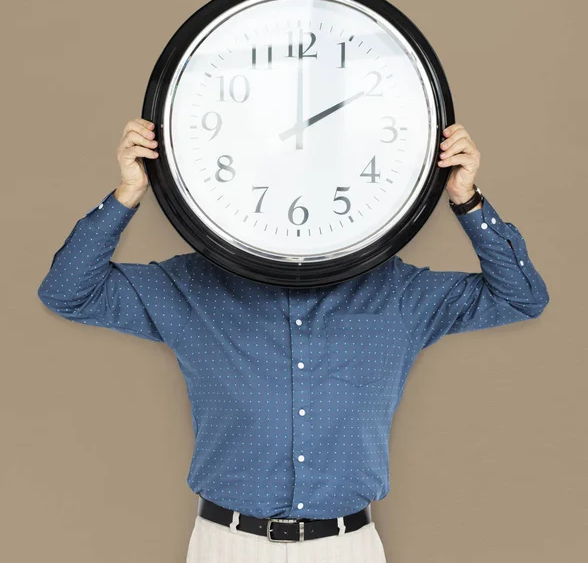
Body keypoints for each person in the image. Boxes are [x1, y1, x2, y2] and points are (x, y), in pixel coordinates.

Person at [37, 118, 549, 562]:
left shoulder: (400, 295)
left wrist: (467, 198)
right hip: (226, 545)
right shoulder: (193, 287)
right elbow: (67, 292)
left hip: (347, 546)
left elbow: (522, 296)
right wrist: (128, 191)